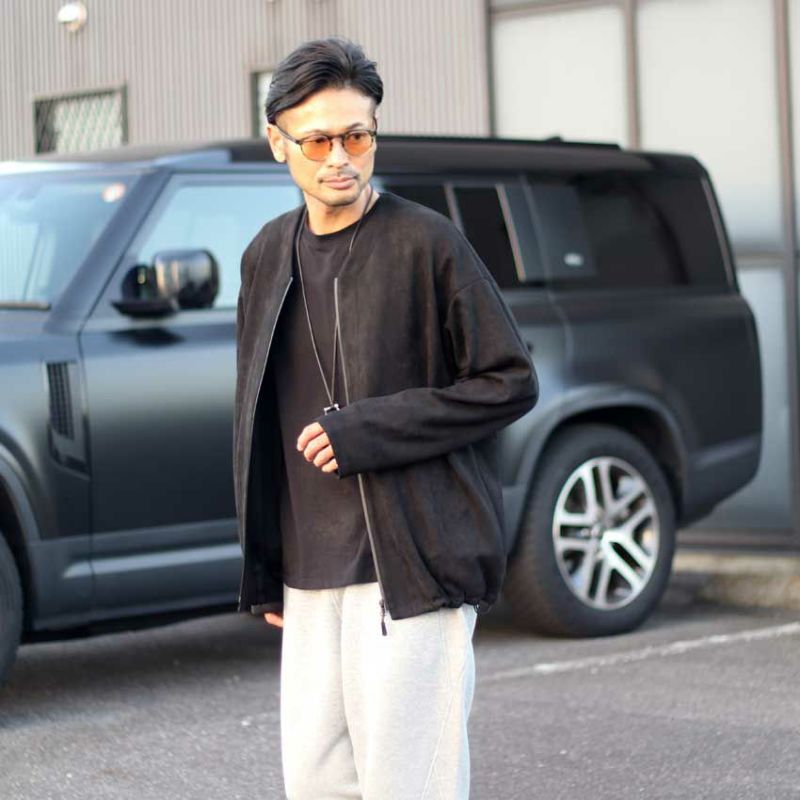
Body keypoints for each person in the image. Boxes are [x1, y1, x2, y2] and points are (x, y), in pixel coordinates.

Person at [233, 35, 538, 800]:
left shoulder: (426, 243)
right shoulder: (266, 255)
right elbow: (256, 418)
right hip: (309, 575)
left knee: (411, 786)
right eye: (318, 140)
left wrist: (368, 430)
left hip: (413, 563)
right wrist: (267, 564)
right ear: (278, 142)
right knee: (318, 785)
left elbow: (509, 381)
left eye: (358, 136)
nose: (340, 157)